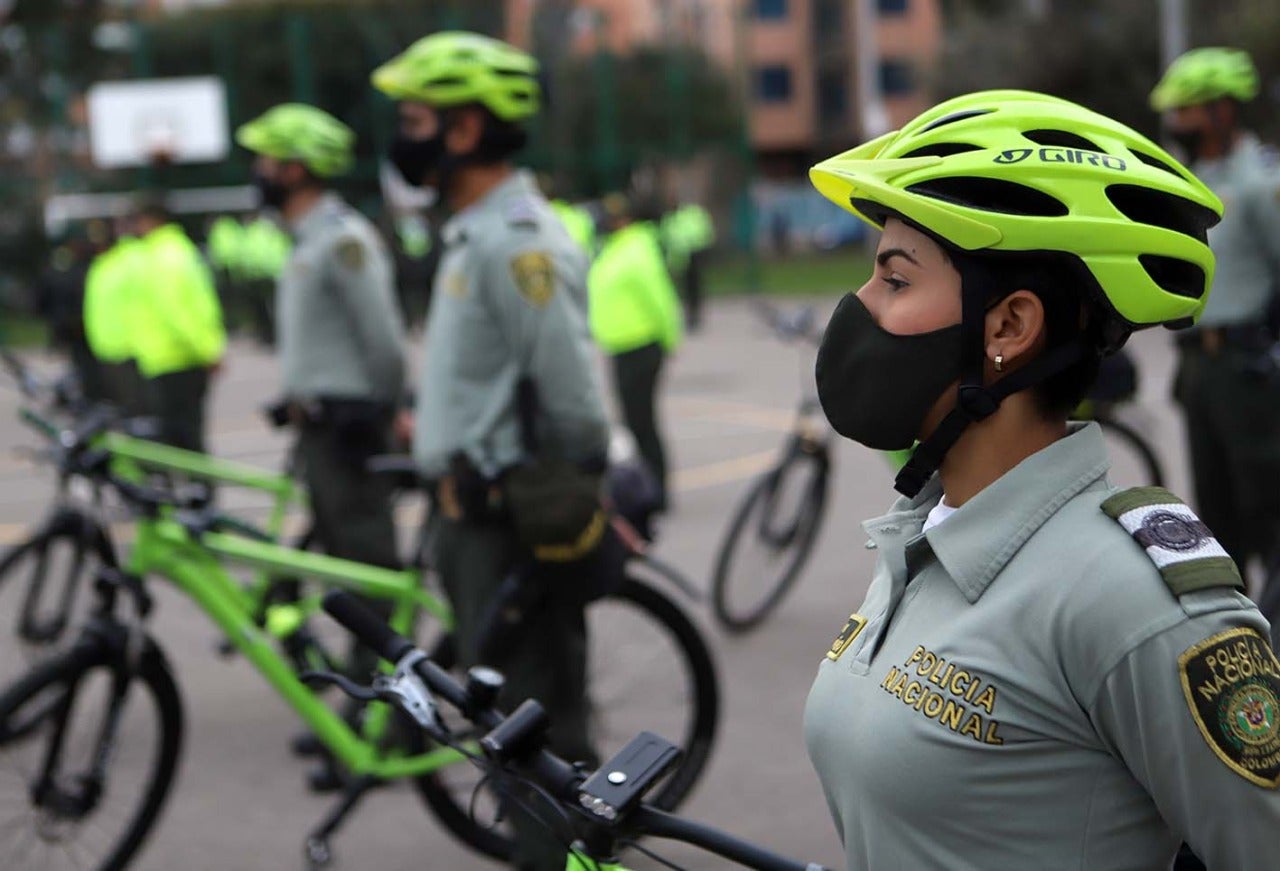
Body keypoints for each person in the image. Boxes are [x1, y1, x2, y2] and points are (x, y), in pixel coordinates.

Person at [801, 89, 1280, 871]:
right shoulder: (928, 529)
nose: (858, 307)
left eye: (894, 279)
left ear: (1009, 327)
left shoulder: (1134, 602)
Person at [372, 31, 610, 870]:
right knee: (508, 720)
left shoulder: (517, 241)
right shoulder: (474, 233)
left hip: (508, 522)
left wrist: (571, 490)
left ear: (465, 130)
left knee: (532, 734)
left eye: (416, 117)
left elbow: (575, 403)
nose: (404, 136)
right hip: (471, 519)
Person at [1150, 47, 1280, 589]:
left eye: (1187, 110)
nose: (1175, 123)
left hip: (1247, 369)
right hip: (1199, 371)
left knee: (1267, 512)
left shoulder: (1260, 180)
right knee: (1216, 520)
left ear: (1223, 110)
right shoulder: (1187, 179)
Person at [589, 192, 683, 511]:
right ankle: (648, 485)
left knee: (642, 422)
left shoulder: (637, 248)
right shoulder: (616, 248)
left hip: (641, 347)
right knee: (634, 421)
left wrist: (669, 339)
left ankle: (656, 490)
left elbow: (660, 299)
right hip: (621, 347)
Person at [129, 198, 225, 452]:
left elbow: (178, 311)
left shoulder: (165, 255)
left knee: (184, 436)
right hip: (172, 356)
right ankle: (194, 487)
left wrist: (206, 350)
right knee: (182, 434)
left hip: (177, 358)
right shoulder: (168, 251)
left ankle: (198, 488)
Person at [83, 219, 149, 415]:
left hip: (130, 350)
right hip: (106, 350)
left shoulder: (130, 259)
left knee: (138, 411)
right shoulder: (101, 264)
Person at [660, 200, 715, 331]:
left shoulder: (691, 215)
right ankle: (688, 314)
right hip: (680, 257)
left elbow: (704, 233)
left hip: (693, 254)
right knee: (685, 287)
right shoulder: (672, 218)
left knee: (693, 287)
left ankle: (693, 314)